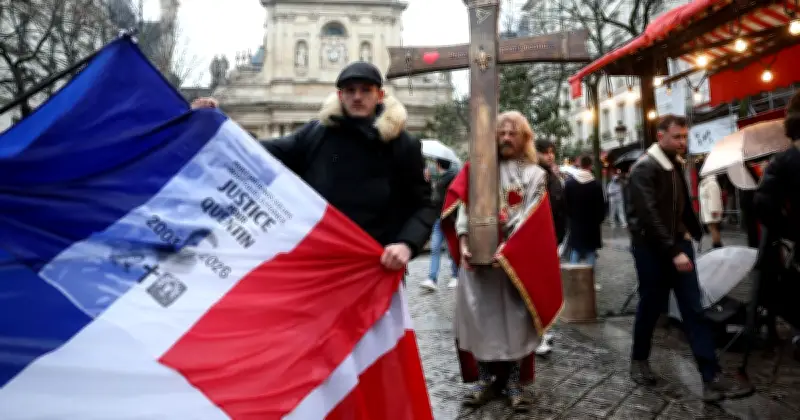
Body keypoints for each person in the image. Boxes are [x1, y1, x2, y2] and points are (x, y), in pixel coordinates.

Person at [191, 62, 438, 271]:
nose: (358, 97)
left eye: (366, 90)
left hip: (375, 264)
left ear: (380, 95)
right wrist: (218, 126)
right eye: (350, 90)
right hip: (318, 260)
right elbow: (261, 153)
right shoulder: (316, 134)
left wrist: (407, 244)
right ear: (340, 95)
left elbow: (424, 205)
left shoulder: (402, 144)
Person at [442, 111, 562, 412]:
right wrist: (466, 242)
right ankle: (484, 380)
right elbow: (464, 211)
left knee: (517, 324)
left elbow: (530, 218)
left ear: (525, 138)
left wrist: (510, 250)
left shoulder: (534, 174)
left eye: (513, 133)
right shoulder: (477, 170)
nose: (507, 138)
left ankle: (512, 382)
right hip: (479, 265)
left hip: (513, 266)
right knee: (481, 321)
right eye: (501, 132)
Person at [626, 114, 747, 402]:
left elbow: (679, 206)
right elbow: (649, 216)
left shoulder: (673, 164)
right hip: (653, 250)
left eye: (684, 136)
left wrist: (693, 233)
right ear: (660, 136)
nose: (682, 142)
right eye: (677, 136)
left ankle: (711, 377)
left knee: (694, 310)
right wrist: (674, 251)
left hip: (677, 244)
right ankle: (639, 360)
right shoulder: (645, 168)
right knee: (651, 307)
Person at [422, 158, 459, 290]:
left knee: (449, 249)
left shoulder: (448, 179)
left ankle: (455, 276)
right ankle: (432, 278)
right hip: (441, 220)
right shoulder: (443, 179)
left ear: (438, 165)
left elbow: (435, 199)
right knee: (436, 248)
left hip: (448, 220)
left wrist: (429, 182)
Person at [563, 155, 606, 266]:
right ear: (590, 166)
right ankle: (590, 281)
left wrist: (571, 218)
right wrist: (598, 220)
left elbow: (565, 205)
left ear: (579, 164)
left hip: (576, 223)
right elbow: (601, 207)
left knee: (576, 251)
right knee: (590, 252)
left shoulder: (569, 184)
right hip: (592, 225)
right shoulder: (596, 184)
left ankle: (573, 279)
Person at [535, 139, 566, 245]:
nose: (550, 156)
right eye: (545, 152)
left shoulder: (551, 174)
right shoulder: (537, 175)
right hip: (544, 233)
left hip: (554, 232)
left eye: (552, 152)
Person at [698, 174, 724, 248]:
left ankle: (717, 245)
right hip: (707, 210)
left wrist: (714, 210)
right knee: (712, 229)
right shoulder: (705, 183)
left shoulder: (712, 183)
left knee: (713, 228)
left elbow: (714, 198)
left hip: (711, 211)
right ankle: (716, 244)